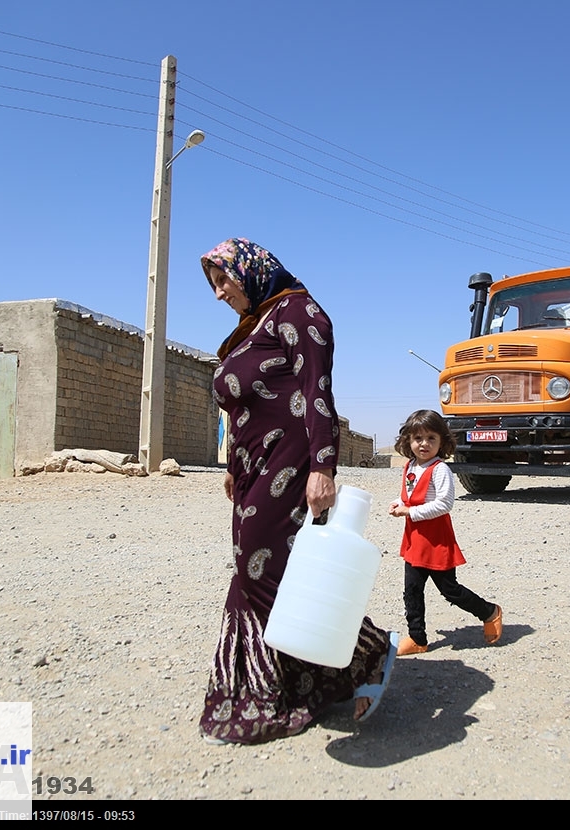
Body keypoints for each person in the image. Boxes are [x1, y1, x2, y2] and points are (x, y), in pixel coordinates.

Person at [198, 238, 398, 744]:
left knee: (260, 575)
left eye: (224, 280)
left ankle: (367, 651)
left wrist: (323, 467)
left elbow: (317, 393)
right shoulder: (254, 328)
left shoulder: (298, 311)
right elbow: (240, 408)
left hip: (288, 464)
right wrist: (230, 464)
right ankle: (290, 679)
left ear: (251, 270)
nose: (219, 293)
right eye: (214, 284)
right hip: (250, 469)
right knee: (267, 570)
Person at [388, 409, 502, 656]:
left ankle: (489, 611)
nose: (424, 444)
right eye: (418, 438)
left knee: (450, 590)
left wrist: (410, 513)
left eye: (431, 438)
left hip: (436, 539)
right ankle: (417, 637)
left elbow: (444, 504)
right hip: (414, 540)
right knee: (412, 590)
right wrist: (399, 502)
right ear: (408, 440)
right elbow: (409, 494)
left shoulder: (440, 470)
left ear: (442, 441)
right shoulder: (410, 466)